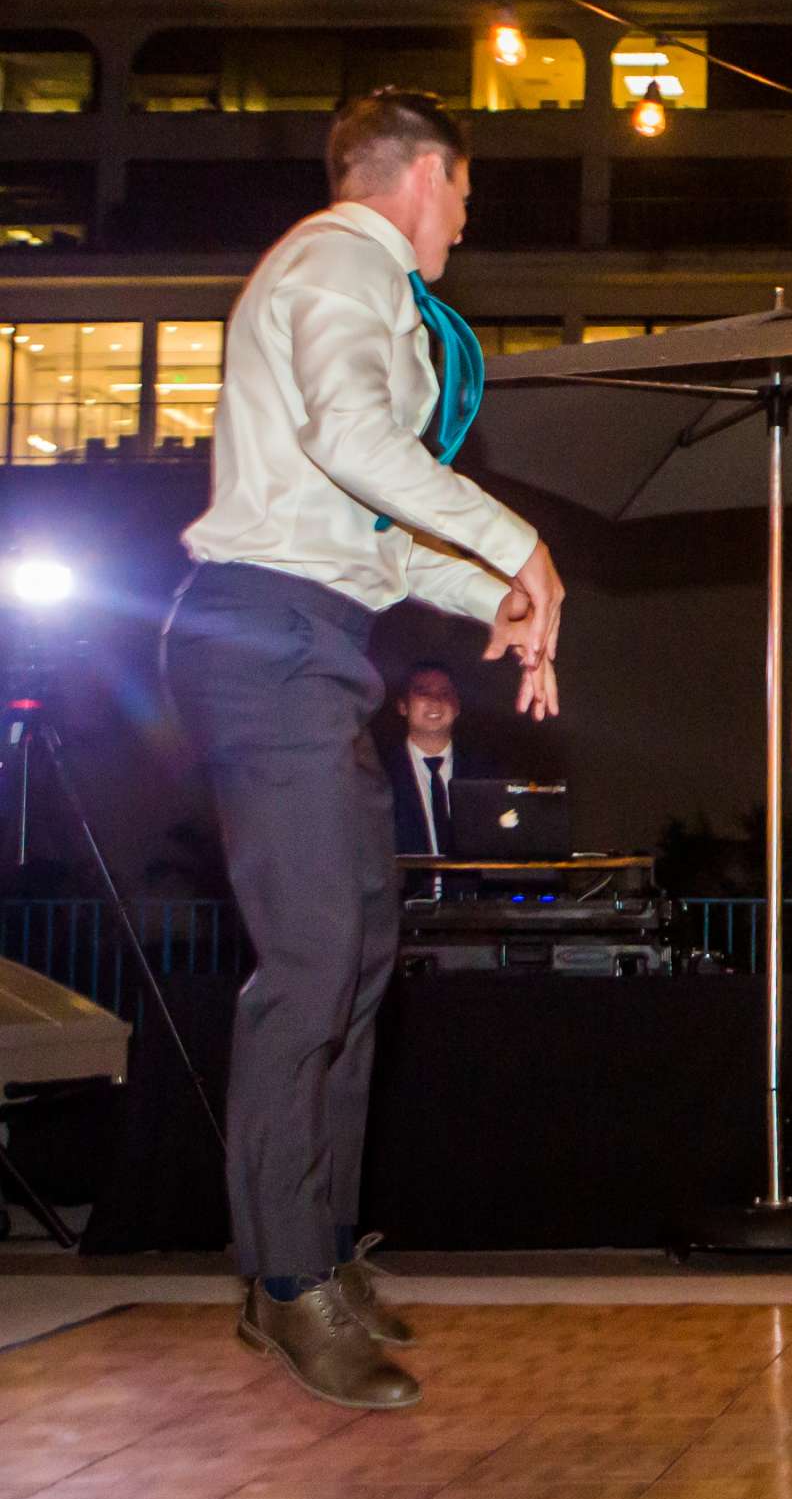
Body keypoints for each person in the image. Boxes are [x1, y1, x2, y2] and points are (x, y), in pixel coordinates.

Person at [162, 89, 564, 1411]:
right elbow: (353, 437)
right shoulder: (342, 257)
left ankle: (320, 1255)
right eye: (463, 191)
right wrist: (516, 542)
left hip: (317, 635)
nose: (465, 216)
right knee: (313, 963)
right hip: (266, 638)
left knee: (362, 953)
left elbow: (372, 537)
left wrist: (482, 595)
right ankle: (282, 1289)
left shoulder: (348, 276)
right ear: (429, 176)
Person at [388, 660, 465, 858]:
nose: (435, 700)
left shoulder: (486, 774)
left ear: (457, 706)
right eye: (423, 692)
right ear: (403, 706)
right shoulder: (379, 773)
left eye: (445, 693)